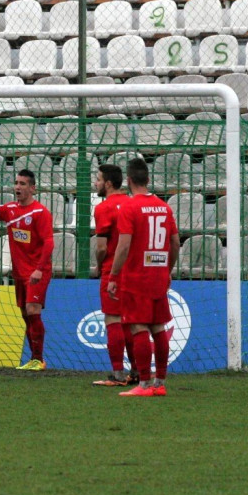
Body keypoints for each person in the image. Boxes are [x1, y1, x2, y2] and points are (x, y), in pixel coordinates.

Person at [106, 157, 181, 398]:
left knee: (138, 326)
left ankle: (145, 384)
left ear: (128, 181)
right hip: (158, 275)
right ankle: (160, 382)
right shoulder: (164, 206)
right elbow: (175, 243)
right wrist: (167, 270)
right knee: (158, 327)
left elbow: (124, 245)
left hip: (136, 276)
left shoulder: (129, 207)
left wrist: (114, 275)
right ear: (148, 179)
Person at [0, 168, 54, 370]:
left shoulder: (40, 212)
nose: (17, 187)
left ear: (32, 188)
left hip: (37, 272)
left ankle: (38, 359)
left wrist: (39, 269)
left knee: (33, 311)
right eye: (16, 183)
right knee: (26, 315)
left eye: (22, 184)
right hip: (19, 272)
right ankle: (34, 358)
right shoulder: (10, 209)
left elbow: (49, 243)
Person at [91, 164, 139, 387]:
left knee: (113, 320)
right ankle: (137, 372)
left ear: (108, 183)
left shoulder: (103, 208)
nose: (96, 183)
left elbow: (101, 247)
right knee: (132, 322)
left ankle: (118, 373)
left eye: (98, 179)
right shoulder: (133, 203)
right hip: (135, 271)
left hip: (113, 270)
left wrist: (99, 267)